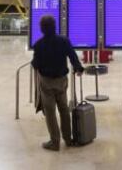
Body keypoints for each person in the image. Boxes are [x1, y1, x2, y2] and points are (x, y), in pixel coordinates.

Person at [32, 15, 84, 151]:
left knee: (50, 112)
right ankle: (68, 139)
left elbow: (35, 64)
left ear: (42, 29)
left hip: (46, 83)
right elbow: (73, 56)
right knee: (64, 110)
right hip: (61, 81)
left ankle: (54, 142)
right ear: (55, 26)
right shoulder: (64, 41)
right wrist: (78, 68)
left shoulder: (38, 45)